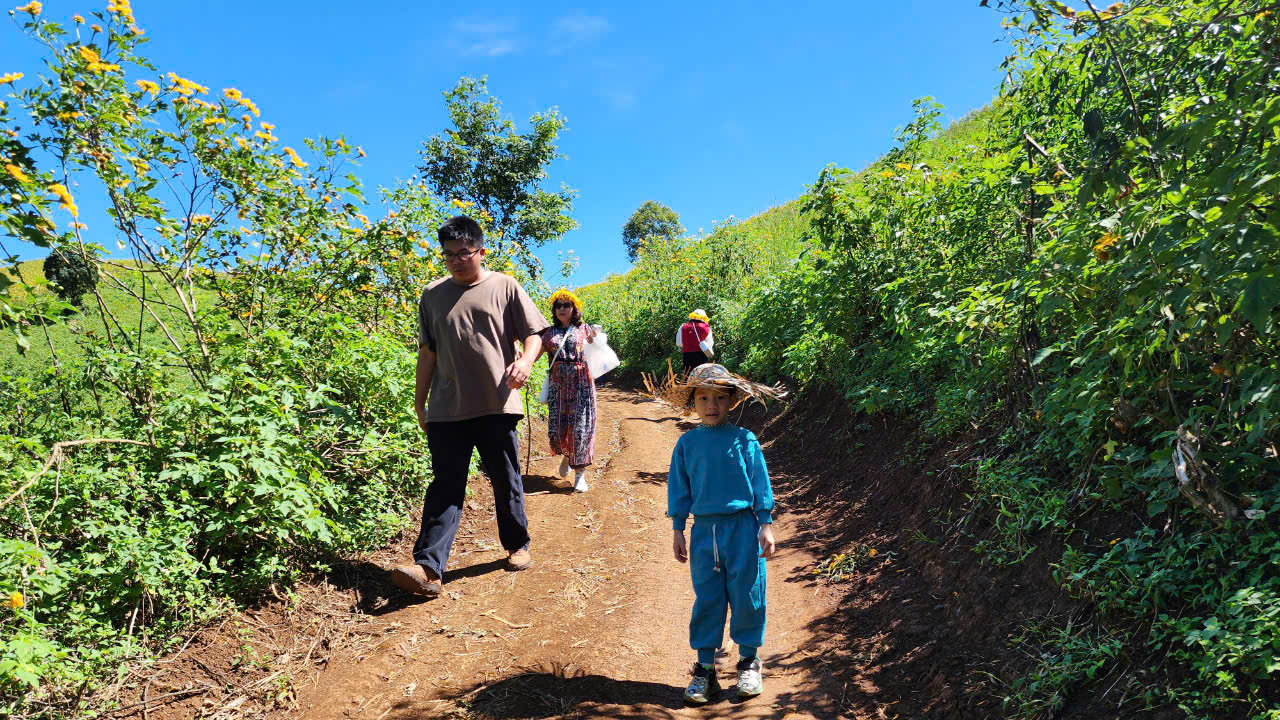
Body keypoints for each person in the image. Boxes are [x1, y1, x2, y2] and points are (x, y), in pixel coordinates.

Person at [391, 215, 549, 598]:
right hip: (447, 407)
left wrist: (525, 362)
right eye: (449, 255)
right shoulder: (431, 295)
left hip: (496, 401)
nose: (457, 261)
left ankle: (516, 545)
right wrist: (419, 405)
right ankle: (428, 568)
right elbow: (427, 354)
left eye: (463, 253)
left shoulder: (504, 286)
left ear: (480, 250)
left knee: (505, 477)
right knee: (445, 485)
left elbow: (534, 334)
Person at [645, 362, 786, 704]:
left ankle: (749, 661)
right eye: (704, 397)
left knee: (748, 595)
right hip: (704, 532)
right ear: (692, 402)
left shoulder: (744, 440)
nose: (711, 405)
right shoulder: (687, 444)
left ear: (732, 401)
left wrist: (765, 522)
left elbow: (759, 483)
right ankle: (706, 670)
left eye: (720, 398)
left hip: (742, 529)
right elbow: (679, 489)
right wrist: (678, 528)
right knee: (708, 599)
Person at [538, 288, 598, 493]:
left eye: (567, 305)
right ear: (554, 310)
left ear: (574, 308)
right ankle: (566, 454)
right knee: (559, 429)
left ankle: (579, 474)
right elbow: (535, 353)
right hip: (558, 386)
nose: (562, 308)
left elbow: (595, 347)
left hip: (581, 384)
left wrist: (595, 338)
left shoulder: (584, 329)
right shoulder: (548, 333)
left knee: (581, 428)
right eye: (558, 305)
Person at [676, 309, 715, 375]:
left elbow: (679, 343)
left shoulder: (683, 327)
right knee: (701, 375)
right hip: (701, 355)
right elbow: (709, 344)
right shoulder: (706, 328)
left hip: (687, 355)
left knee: (688, 376)